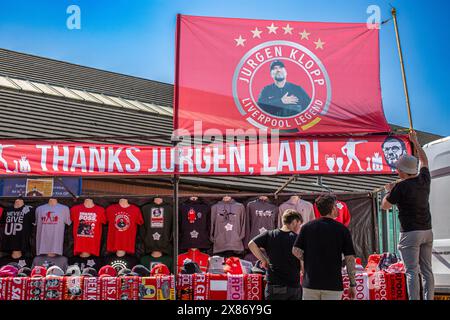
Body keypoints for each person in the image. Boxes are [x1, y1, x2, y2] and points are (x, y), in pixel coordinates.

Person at [381, 130, 434, 300]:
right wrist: (416, 142)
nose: (397, 171)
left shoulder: (400, 187)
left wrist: (388, 192)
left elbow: (385, 206)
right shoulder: (424, 179)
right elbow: (424, 160)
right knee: (427, 271)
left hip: (410, 233)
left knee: (411, 271)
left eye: (398, 169)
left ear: (403, 171)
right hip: (427, 231)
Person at [292, 194, 356, 300]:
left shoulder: (307, 227)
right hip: (333, 285)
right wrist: (352, 284)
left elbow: (295, 250)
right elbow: (350, 258)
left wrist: (308, 259)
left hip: (310, 283)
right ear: (332, 208)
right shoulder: (342, 230)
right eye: (336, 206)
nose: (338, 209)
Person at [248, 209, 303, 300]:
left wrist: (263, 260)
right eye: (299, 224)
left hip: (274, 286)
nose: (299, 227)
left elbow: (251, 244)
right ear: (294, 222)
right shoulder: (298, 239)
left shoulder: (270, 234)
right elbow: (302, 262)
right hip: (293, 286)